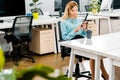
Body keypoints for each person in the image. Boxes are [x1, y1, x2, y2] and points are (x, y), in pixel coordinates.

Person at [60, 1, 109, 80]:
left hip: (81, 42)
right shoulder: (64, 22)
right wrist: (75, 30)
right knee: (94, 54)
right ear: (68, 10)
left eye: (76, 10)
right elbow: (65, 38)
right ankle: (102, 75)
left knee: (97, 52)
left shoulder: (79, 20)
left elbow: (84, 36)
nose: (75, 12)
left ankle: (101, 75)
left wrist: (85, 29)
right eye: (73, 10)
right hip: (71, 45)